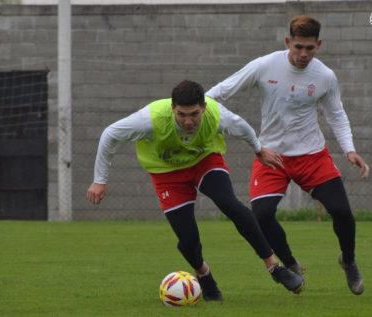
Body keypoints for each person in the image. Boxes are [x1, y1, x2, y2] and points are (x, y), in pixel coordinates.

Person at [86, 80, 304, 301]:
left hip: (204, 161)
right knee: (188, 239)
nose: (188, 121)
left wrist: (259, 150)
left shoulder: (218, 115)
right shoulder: (150, 120)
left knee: (229, 204)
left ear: (204, 108)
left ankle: (274, 267)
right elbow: (109, 134)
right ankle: (204, 275)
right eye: (181, 115)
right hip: (167, 174)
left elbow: (243, 127)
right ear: (172, 108)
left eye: (194, 114)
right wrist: (99, 181)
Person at [206, 16, 369, 295]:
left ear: (318, 45)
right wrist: (204, 119)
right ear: (287, 43)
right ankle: (291, 264)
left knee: (342, 212)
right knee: (262, 215)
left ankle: (349, 261)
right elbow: (218, 93)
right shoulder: (264, 66)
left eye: (309, 48)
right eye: (298, 47)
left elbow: (336, 114)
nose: (303, 54)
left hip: (312, 155)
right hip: (272, 156)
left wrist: (349, 149)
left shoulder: (325, 77)